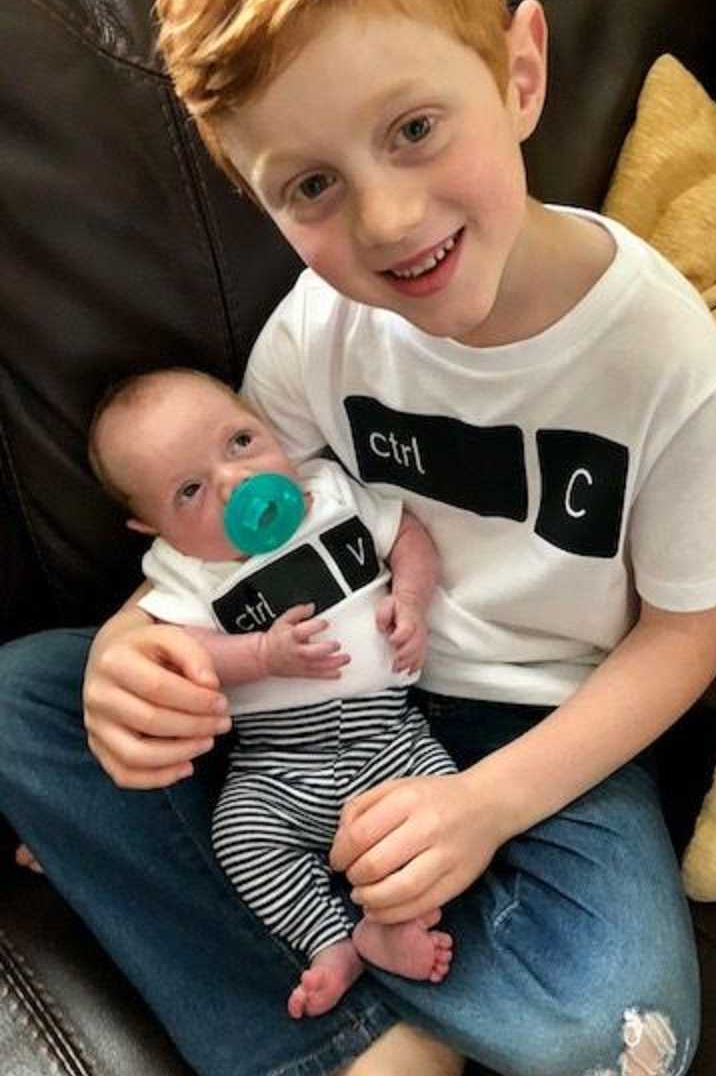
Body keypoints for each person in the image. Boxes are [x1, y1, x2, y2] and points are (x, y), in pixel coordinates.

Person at [0, 0, 716, 1074]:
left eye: (413, 129)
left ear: (516, 74)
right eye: (311, 186)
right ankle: (370, 1025)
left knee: (622, 1035)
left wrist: (484, 807)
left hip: (539, 731)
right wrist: (135, 650)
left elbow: (682, 636)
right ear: (262, 201)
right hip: (309, 719)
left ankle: (311, 991)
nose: (390, 220)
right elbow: (244, 532)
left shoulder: (663, 354)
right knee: (27, 699)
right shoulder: (314, 334)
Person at [86, 366, 455, 1019]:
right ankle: (331, 939)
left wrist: (412, 600)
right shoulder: (184, 572)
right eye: (192, 490)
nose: (237, 483)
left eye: (240, 443)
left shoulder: (332, 491)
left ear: (267, 427)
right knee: (240, 836)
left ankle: (391, 923)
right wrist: (260, 654)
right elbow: (179, 649)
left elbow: (409, 538)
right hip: (278, 765)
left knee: (447, 807)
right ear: (154, 531)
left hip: (391, 735)